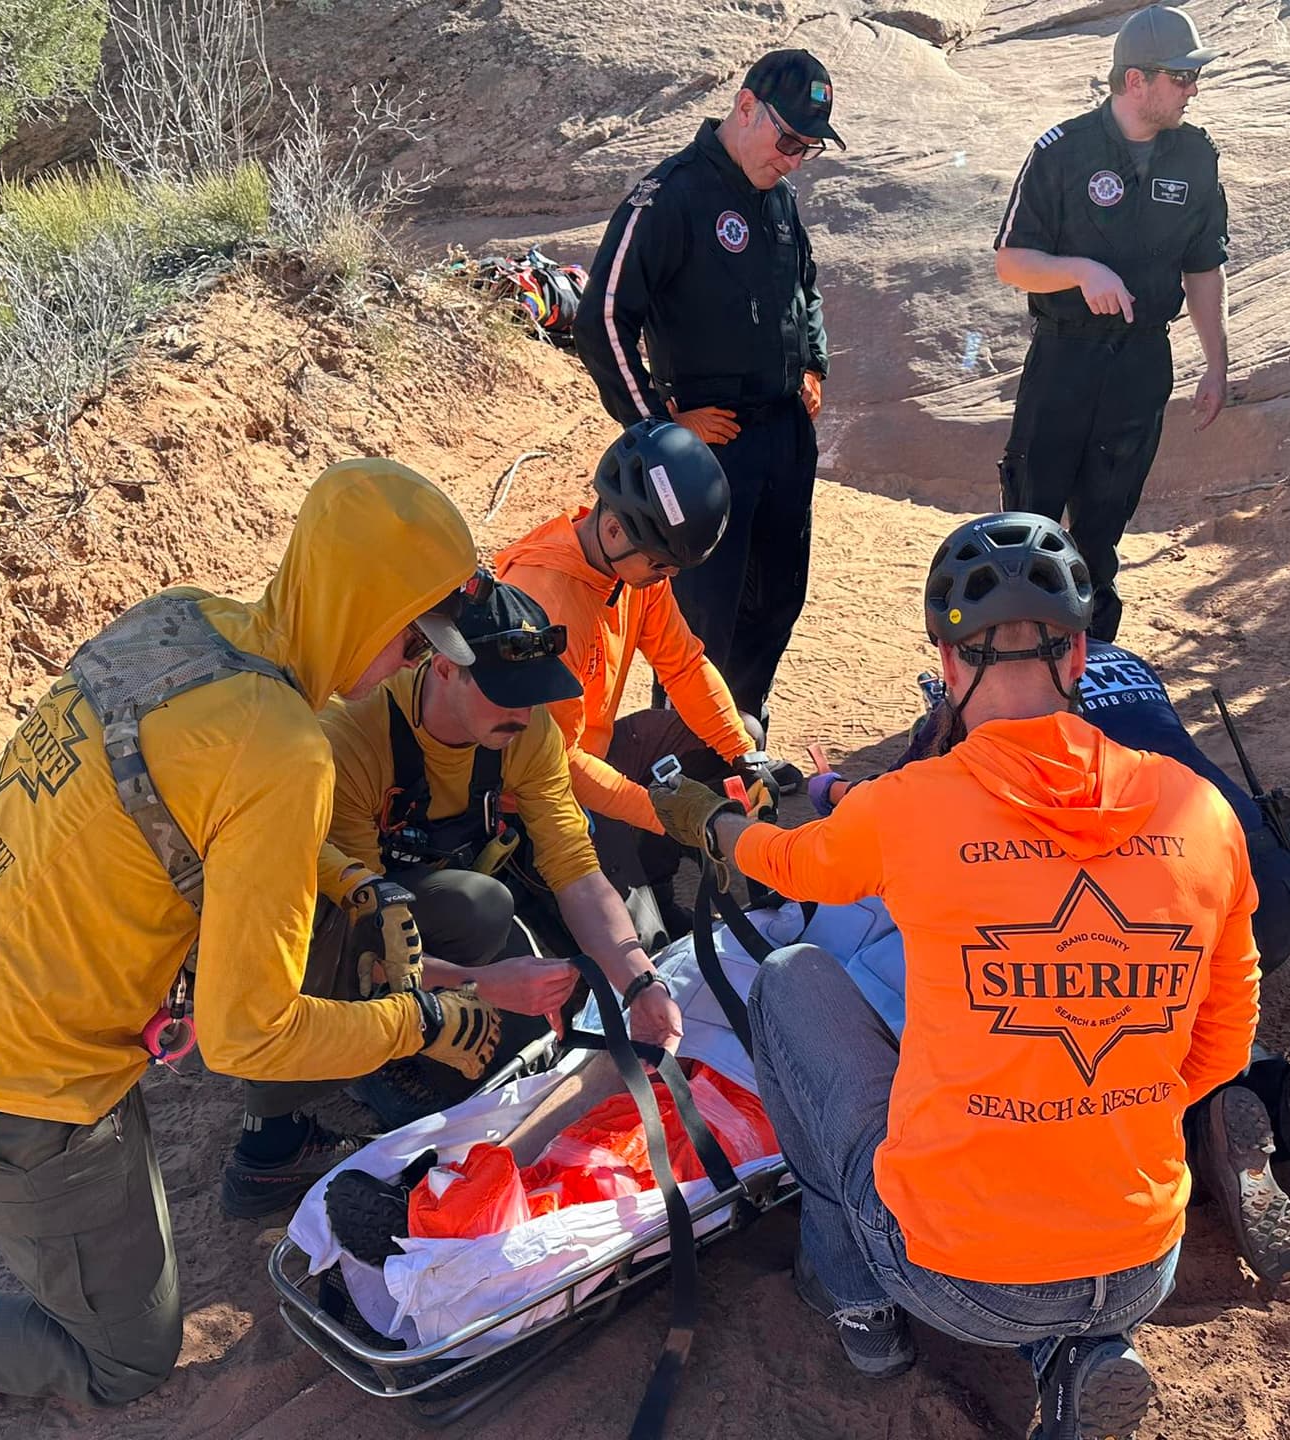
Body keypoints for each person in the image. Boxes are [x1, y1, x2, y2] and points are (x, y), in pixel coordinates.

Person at [0, 460, 505, 1419]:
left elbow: (171, 802)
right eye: (409, 637)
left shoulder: (187, 620)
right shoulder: (288, 755)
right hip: (1, 1082)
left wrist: (345, 874)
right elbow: (248, 1037)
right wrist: (421, 1021)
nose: (406, 663)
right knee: (127, 1360)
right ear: (366, 612)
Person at [652, 513, 1259, 1434]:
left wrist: (720, 826)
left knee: (792, 978)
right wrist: (1096, 1111)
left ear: (947, 663)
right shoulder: (1204, 815)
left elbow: (787, 865)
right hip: (1142, 1258)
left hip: (956, 1274)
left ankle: (859, 1303)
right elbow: (1220, 1049)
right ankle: (1080, 1346)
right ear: (1081, 655)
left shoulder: (911, 807)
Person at [813, 640, 1290, 1285]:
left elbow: (896, 800)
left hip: (1114, 929)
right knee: (1179, 1001)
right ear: (1076, 647)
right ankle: (1271, 1089)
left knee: (1078, 1021)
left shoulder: (971, 699)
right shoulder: (1128, 663)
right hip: (1249, 878)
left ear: (955, 664)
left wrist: (829, 788)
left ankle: (1200, 1130)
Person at [222, 576, 685, 1182]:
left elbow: (573, 865)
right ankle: (361, 1068)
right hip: (318, 925)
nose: (522, 713)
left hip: (417, 903)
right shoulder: (354, 735)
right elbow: (357, 927)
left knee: (520, 999)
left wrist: (639, 980)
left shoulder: (527, 730)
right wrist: (479, 985)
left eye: (532, 694)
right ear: (444, 667)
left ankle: (413, 1032)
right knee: (479, 913)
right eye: (502, 692)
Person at [573, 48, 837, 727]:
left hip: (783, 436)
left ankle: (739, 741)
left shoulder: (778, 201)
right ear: (746, 107)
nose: (793, 159)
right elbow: (602, 317)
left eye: (808, 150)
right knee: (701, 622)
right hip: (708, 446)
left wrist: (813, 363)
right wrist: (659, 433)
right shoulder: (673, 194)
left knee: (776, 600)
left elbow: (805, 287)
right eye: (789, 141)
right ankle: (686, 770)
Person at [993, 6, 1231, 643]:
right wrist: (1079, 271)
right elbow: (1011, 262)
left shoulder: (1197, 157)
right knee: (1030, 522)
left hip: (1141, 363)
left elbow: (1204, 268)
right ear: (1136, 80)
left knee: (1102, 527)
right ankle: (1015, 660)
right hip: (1064, 359)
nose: (1192, 89)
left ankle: (1091, 661)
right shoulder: (1062, 151)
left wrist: (1216, 363)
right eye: (1181, 77)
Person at [495, 420, 770, 940]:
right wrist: (671, 814)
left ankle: (656, 880)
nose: (667, 579)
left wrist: (745, 757)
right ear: (616, 528)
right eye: (662, 567)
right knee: (643, 943)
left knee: (744, 735)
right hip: (539, 792)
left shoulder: (631, 567)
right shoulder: (545, 604)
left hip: (590, 753)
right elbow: (557, 765)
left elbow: (684, 665)